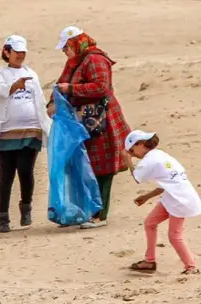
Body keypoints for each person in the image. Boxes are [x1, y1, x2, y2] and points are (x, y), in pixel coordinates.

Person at [49, 26, 132, 229]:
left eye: (66, 47)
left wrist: (72, 89)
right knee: (83, 165)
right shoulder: (74, 62)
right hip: (84, 122)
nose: (64, 52)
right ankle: (84, 211)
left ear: (76, 44)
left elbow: (101, 87)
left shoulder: (95, 60)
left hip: (101, 122)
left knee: (102, 167)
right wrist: (52, 103)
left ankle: (99, 215)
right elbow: (61, 83)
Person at [0, 35, 51, 233]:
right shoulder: (0, 74)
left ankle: (26, 207)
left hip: (31, 128)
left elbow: (39, 99)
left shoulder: (31, 73)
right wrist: (14, 86)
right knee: (6, 175)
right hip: (7, 129)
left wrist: (47, 118)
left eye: (23, 52)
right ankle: (3, 217)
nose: (20, 55)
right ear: (7, 52)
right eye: (16, 52)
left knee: (25, 170)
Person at [123, 131, 201, 275]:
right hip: (172, 197)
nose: (133, 154)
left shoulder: (149, 160)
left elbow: (137, 177)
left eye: (132, 150)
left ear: (140, 144)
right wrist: (147, 196)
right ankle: (149, 261)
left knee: (174, 236)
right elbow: (167, 182)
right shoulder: (160, 155)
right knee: (150, 223)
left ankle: (191, 267)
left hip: (179, 200)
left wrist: (127, 160)